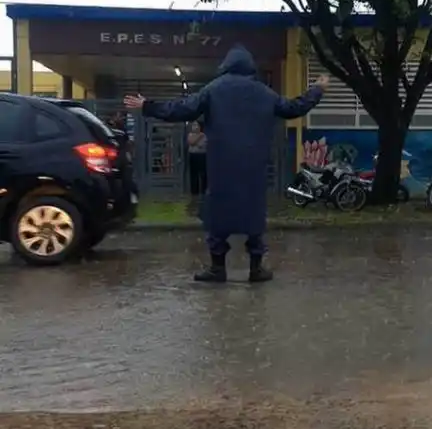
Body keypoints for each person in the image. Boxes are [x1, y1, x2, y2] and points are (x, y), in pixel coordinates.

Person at [124, 44, 329, 283]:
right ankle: (256, 268)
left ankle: (217, 268)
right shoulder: (264, 92)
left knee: (217, 213)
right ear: (249, 67)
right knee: (254, 213)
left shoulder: (214, 90)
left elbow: (182, 109)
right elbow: (294, 108)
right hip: (253, 165)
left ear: (227, 65)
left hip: (221, 164)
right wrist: (316, 90)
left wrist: (147, 106)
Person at [187, 121, 208, 196]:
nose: (195, 127)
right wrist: (199, 137)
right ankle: (194, 192)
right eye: (193, 125)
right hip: (193, 155)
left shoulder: (205, 136)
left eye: (196, 125)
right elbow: (191, 142)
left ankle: (203, 191)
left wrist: (196, 142)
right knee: (193, 175)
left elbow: (203, 145)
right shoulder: (190, 135)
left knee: (203, 174)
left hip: (202, 156)